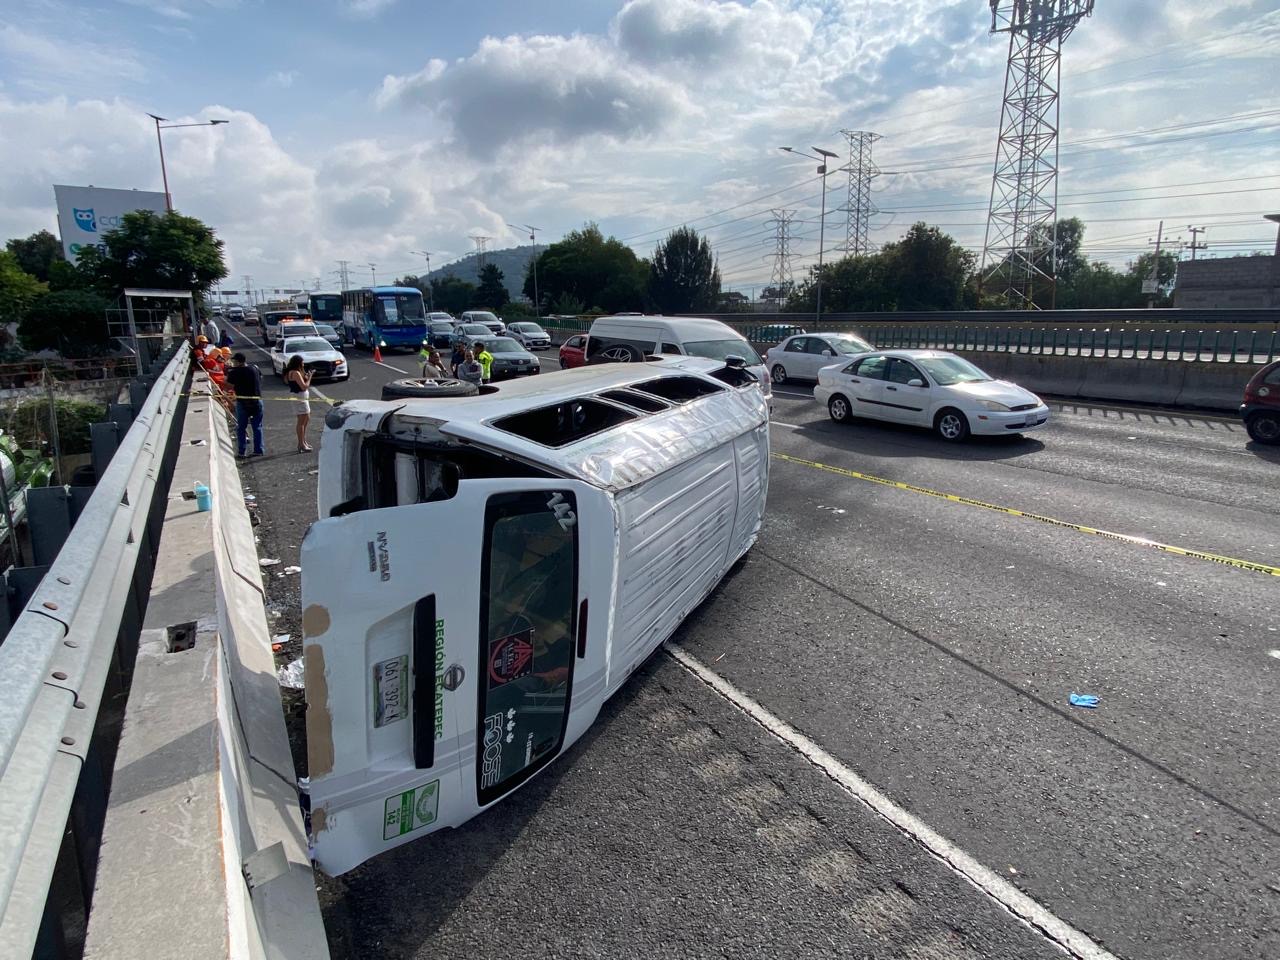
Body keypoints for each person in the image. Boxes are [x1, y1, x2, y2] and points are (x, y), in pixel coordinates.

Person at [224, 353, 264, 457]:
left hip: (242, 402)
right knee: (257, 427)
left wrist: (227, 376)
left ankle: (242, 451)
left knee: (241, 427)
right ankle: (258, 450)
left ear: (238, 361)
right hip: (257, 400)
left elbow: (228, 386)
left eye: (234, 361)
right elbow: (260, 378)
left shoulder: (234, 372)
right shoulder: (254, 368)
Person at [284, 355, 314, 453]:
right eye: (302, 362)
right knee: (301, 421)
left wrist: (306, 375)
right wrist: (310, 378)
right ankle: (301, 444)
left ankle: (303, 441)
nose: (303, 364)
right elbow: (304, 387)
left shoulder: (294, 372)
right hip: (299, 398)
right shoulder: (295, 373)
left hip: (302, 398)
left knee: (306, 418)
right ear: (298, 363)